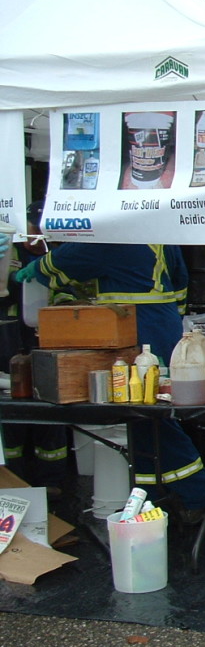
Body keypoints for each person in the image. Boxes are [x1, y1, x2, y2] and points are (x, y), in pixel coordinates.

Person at [15, 239, 205, 524]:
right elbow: (181, 278)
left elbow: (78, 254)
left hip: (136, 327)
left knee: (150, 415)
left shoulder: (116, 234)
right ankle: (151, 495)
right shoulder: (155, 231)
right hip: (161, 323)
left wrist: (38, 267)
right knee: (142, 417)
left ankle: (200, 493)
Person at [0, 202, 72, 495]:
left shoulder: (57, 254)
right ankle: (12, 481)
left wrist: (64, 305)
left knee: (49, 407)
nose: (37, 236)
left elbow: (71, 288)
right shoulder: (9, 253)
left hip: (46, 337)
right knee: (11, 411)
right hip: (8, 336)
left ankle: (52, 481)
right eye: (33, 229)